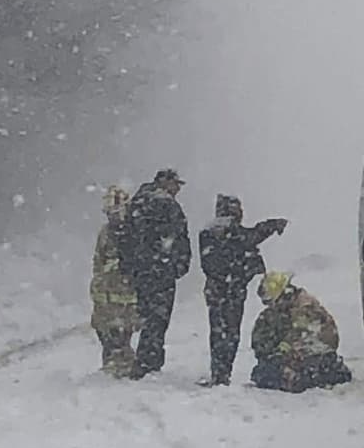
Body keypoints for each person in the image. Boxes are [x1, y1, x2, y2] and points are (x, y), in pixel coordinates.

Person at [199, 194, 287, 385]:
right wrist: (271, 225)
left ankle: (218, 372)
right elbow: (250, 237)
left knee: (218, 331)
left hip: (216, 290)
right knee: (230, 333)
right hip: (232, 290)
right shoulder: (231, 231)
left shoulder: (208, 232)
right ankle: (223, 374)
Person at [120, 168, 191, 378]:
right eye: (176, 183)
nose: (178, 188)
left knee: (144, 315)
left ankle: (133, 358)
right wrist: (178, 264)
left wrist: (130, 266)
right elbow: (178, 236)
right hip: (161, 271)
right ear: (165, 182)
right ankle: (148, 362)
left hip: (141, 271)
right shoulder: (167, 204)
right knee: (158, 318)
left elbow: (126, 237)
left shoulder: (137, 201)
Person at [250, 271, 352, 392]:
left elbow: (302, 336)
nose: (269, 305)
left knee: (267, 374)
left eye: (270, 301)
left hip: (314, 356)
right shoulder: (278, 311)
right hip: (304, 357)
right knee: (264, 372)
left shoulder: (304, 308)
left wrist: (283, 353)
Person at [89, 186, 139, 377]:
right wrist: (98, 282)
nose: (113, 216)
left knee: (123, 330)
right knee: (103, 328)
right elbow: (98, 259)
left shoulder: (133, 231)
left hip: (126, 292)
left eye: (116, 211)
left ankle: (124, 362)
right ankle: (111, 361)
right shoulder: (105, 232)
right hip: (105, 293)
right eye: (110, 212)